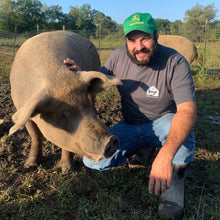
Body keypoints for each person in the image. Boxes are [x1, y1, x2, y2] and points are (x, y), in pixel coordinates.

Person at [64, 12, 196, 219]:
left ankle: (175, 180)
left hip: (163, 121)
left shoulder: (175, 62)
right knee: (94, 161)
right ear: (126, 40)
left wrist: (165, 155)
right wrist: (81, 75)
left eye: (145, 38)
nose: (139, 46)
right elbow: (98, 83)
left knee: (182, 135)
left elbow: (187, 111)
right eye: (132, 40)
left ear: (156, 36)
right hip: (131, 123)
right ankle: (140, 148)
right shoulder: (118, 57)